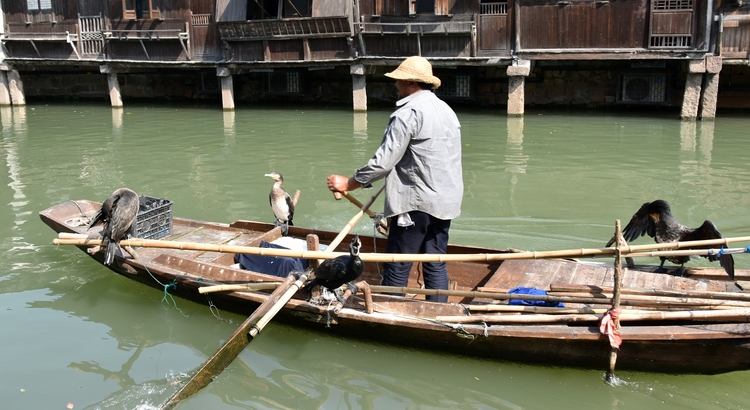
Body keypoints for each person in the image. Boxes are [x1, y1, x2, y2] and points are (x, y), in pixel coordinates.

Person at [326, 56, 463, 303]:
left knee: (398, 264)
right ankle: (438, 310)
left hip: (416, 203)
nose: (395, 85)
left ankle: (391, 311)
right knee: (434, 261)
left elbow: (382, 163)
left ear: (411, 82)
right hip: (446, 201)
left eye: (398, 80)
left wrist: (348, 183)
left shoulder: (407, 113)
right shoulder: (447, 110)